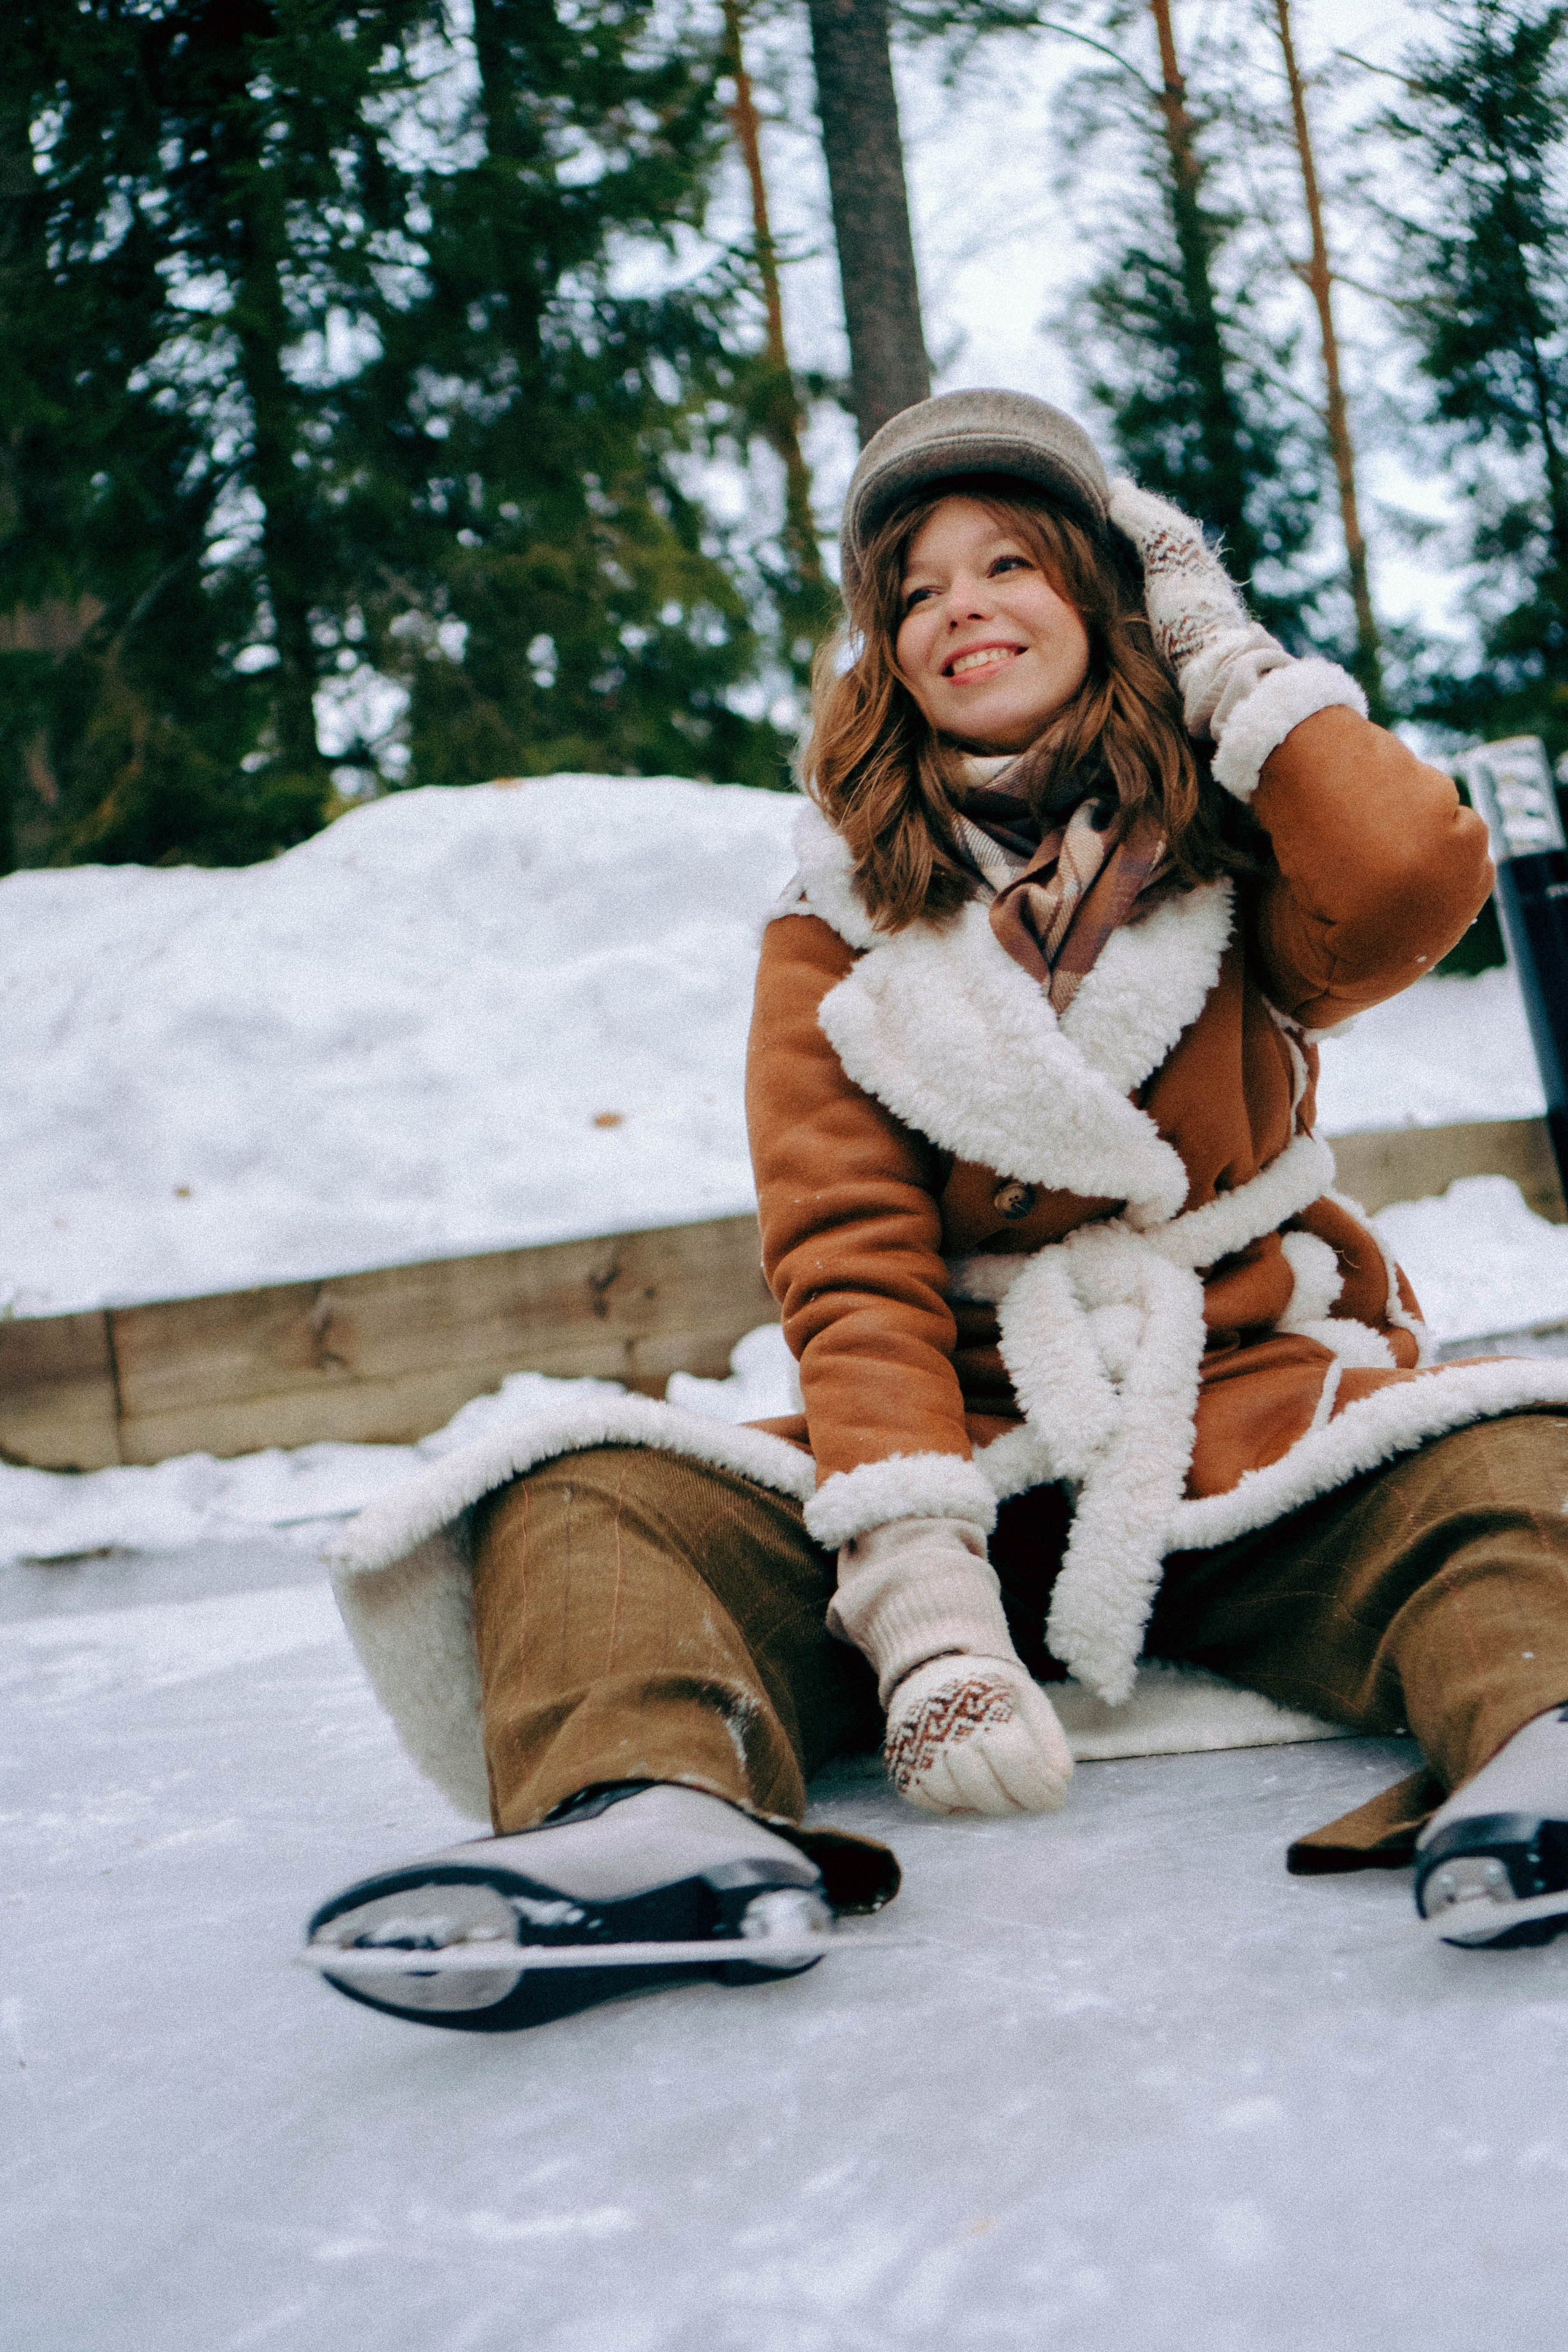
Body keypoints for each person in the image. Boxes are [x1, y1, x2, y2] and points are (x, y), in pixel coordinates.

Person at [305, 390, 1568, 2034]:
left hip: (1232, 1429)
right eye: (915, 589)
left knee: (1512, 1452)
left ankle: (1543, 1745)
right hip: (955, 1440)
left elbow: (1415, 882)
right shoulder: (830, 922)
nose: (960, 607)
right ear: (886, 648)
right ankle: (653, 1827)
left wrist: (1223, 646)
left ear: (1102, 600)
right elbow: (850, 1268)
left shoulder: (1239, 842)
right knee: (580, 1490)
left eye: (1012, 564)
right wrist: (924, 1621)